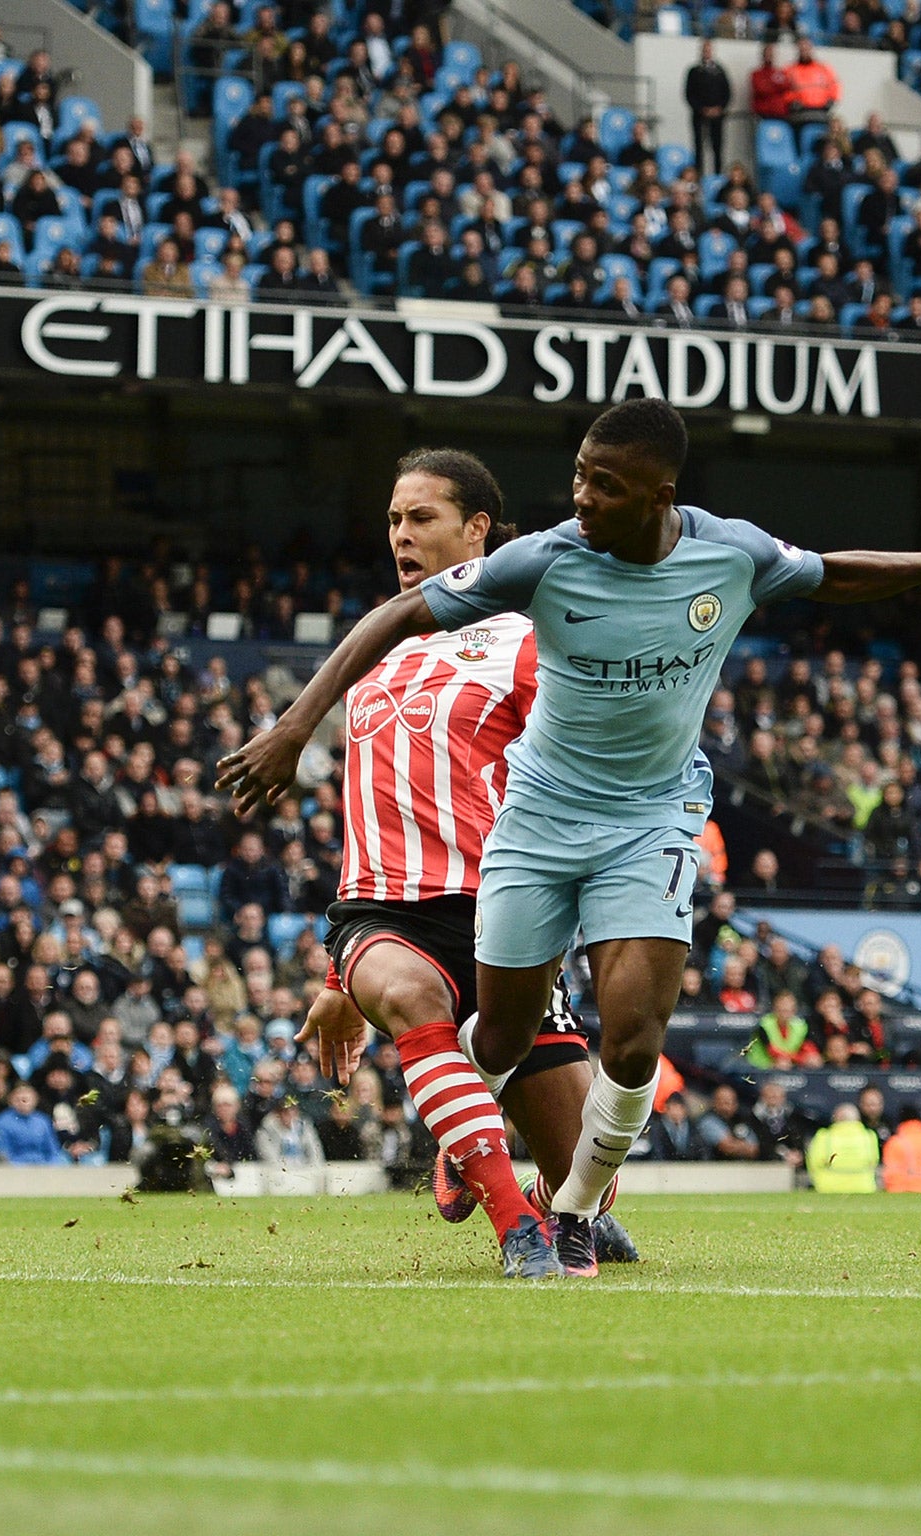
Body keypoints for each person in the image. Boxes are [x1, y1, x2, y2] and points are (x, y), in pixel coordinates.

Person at [220, 397, 921, 1274]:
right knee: (491, 1039)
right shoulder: (476, 603)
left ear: (657, 495)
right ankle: (488, 1164)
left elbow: (830, 573)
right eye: (393, 519)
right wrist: (297, 738)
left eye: (421, 517)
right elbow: (391, 660)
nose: (581, 497)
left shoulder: (613, 595)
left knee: (631, 1050)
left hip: (636, 825)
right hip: (491, 854)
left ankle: (564, 1213)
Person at [293, 449, 636, 1281]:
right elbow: (367, 805)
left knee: (587, 1177)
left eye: (421, 518)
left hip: (503, 913)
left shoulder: (528, 639)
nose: (400, 535)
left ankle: (498, 1162)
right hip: (383, 913)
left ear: (478, 528)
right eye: (393, 520)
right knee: (413, 998)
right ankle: (517, 1229)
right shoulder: (374, 643)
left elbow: (579, 774)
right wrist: (340, 982)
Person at [685, 39, 732, 178]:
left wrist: (719, 108)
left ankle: (717, 175)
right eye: (704, 50)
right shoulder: (694, 71)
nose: (707, 52)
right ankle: (699, 176)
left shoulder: (720, 71)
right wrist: (702, 109)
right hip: (699, 115)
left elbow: (727, 92)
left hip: (717, 115)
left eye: (709, 50)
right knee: (699, 147)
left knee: (717, 147)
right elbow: (689, 94)